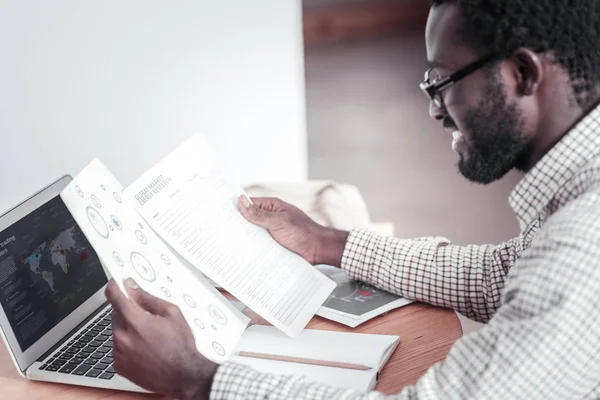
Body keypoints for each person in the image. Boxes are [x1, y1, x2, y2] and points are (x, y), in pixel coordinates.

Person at [105, 0, 600, 398]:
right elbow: (503, 276)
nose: (434, 111)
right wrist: (326, 242)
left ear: (523, 74)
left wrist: (197, 379)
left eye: (443, 82)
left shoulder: (583, 243)